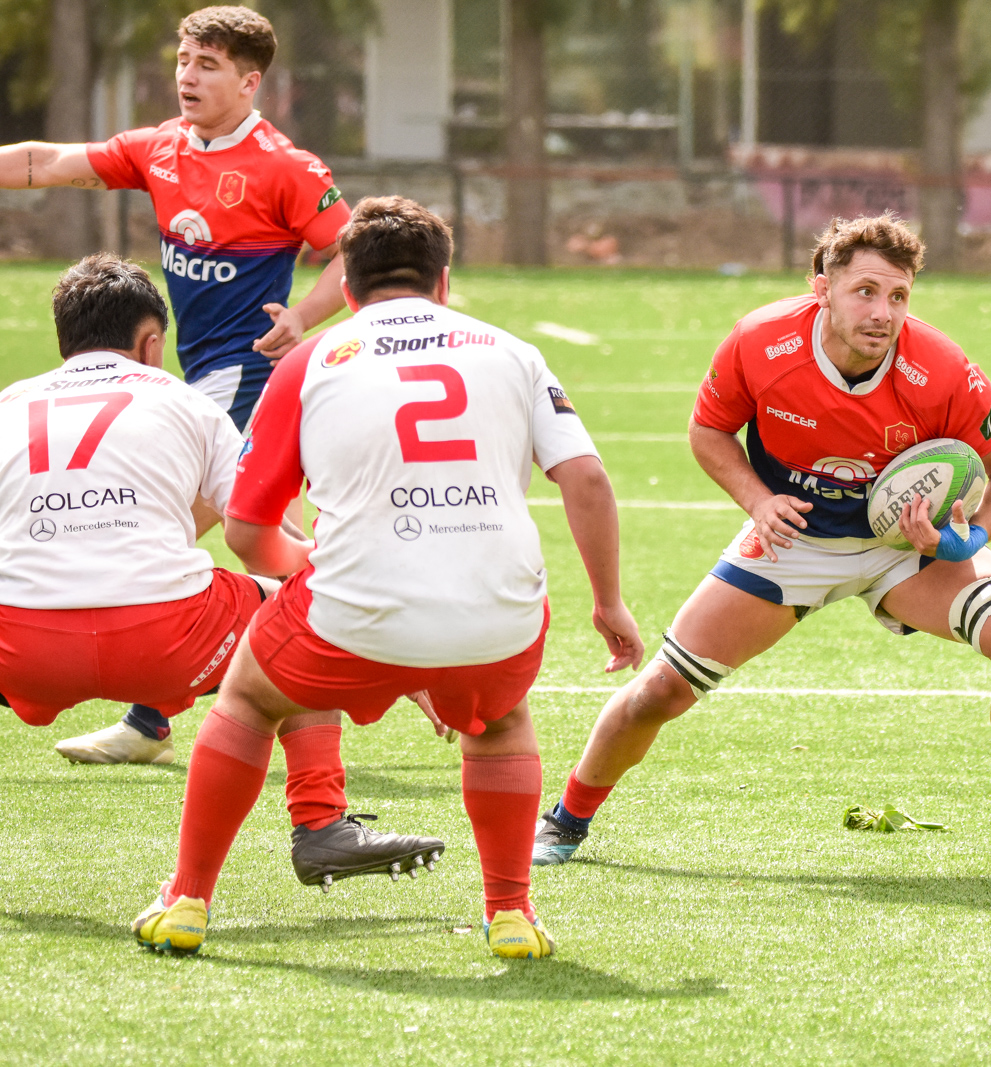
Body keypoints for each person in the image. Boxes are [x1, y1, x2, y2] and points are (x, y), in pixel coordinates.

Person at [130, 196, 645, 959]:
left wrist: (322, 577)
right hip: (497, 613)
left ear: (346, 291)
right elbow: (590, 482)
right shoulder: (513, 350)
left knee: (248, 695)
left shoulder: (310, 360)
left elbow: (246, 528)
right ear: (444, 283)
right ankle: (509, 913)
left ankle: (187, 901)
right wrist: (608, 603)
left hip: (349, 614)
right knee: (499, 718)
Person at [530, 214, 991, 874]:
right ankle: (564, 819)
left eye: (899, 296)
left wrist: (966, 538)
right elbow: (709, 431)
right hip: (793, 540)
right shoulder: (761, 341)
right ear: (821, 288)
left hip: (902, 549)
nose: (883, 313)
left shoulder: (941, 369)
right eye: (865, 291)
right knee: (660, 693)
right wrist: (758, 501)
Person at [0, 253, 443, 891]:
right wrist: (383, 642)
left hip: (25, 647)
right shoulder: (186, 403)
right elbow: (263, 529)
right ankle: (322, 825)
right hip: (166, 638)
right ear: (151, 344)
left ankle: (148, 729)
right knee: (296, 618)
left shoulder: (14, 402)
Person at [0, 6, 353, 761]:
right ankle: (359, 629)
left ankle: (155, 715)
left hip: (245, 374)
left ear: (250, 81)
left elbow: (352, 254)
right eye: (184, 61)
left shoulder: (286, 166)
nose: (187, 77)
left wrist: (301, 317)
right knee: (221, 527)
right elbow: (48, 161)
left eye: (209, 66)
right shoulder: (161, 147)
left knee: (164, 527)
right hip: (189, 376)